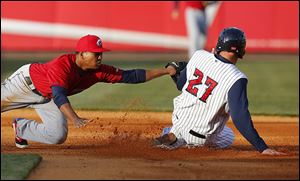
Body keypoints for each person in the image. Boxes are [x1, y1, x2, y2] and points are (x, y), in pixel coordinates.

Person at [1, 34, 177, 149]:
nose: (100, 57)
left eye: (101, 53)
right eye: (96, 53)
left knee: (57, 136)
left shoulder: (98, 71)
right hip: (23, 85)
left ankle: (21, 128)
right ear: (82, 54)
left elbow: (131, 75)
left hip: (46, 97)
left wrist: (165, 71)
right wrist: (75, 118)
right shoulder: (62, 66)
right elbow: (59, 95)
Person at [153, 27, 286, 156]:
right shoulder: (237, 78)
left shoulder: (199, 55)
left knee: (184, 120)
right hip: (200, 137)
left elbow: (181, 85)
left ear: (219, 45)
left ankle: (175, 134)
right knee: (229, 135)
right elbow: (240, 118)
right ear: (241, 51)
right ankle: (186, 142)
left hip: (178, 121)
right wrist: (262, 147)